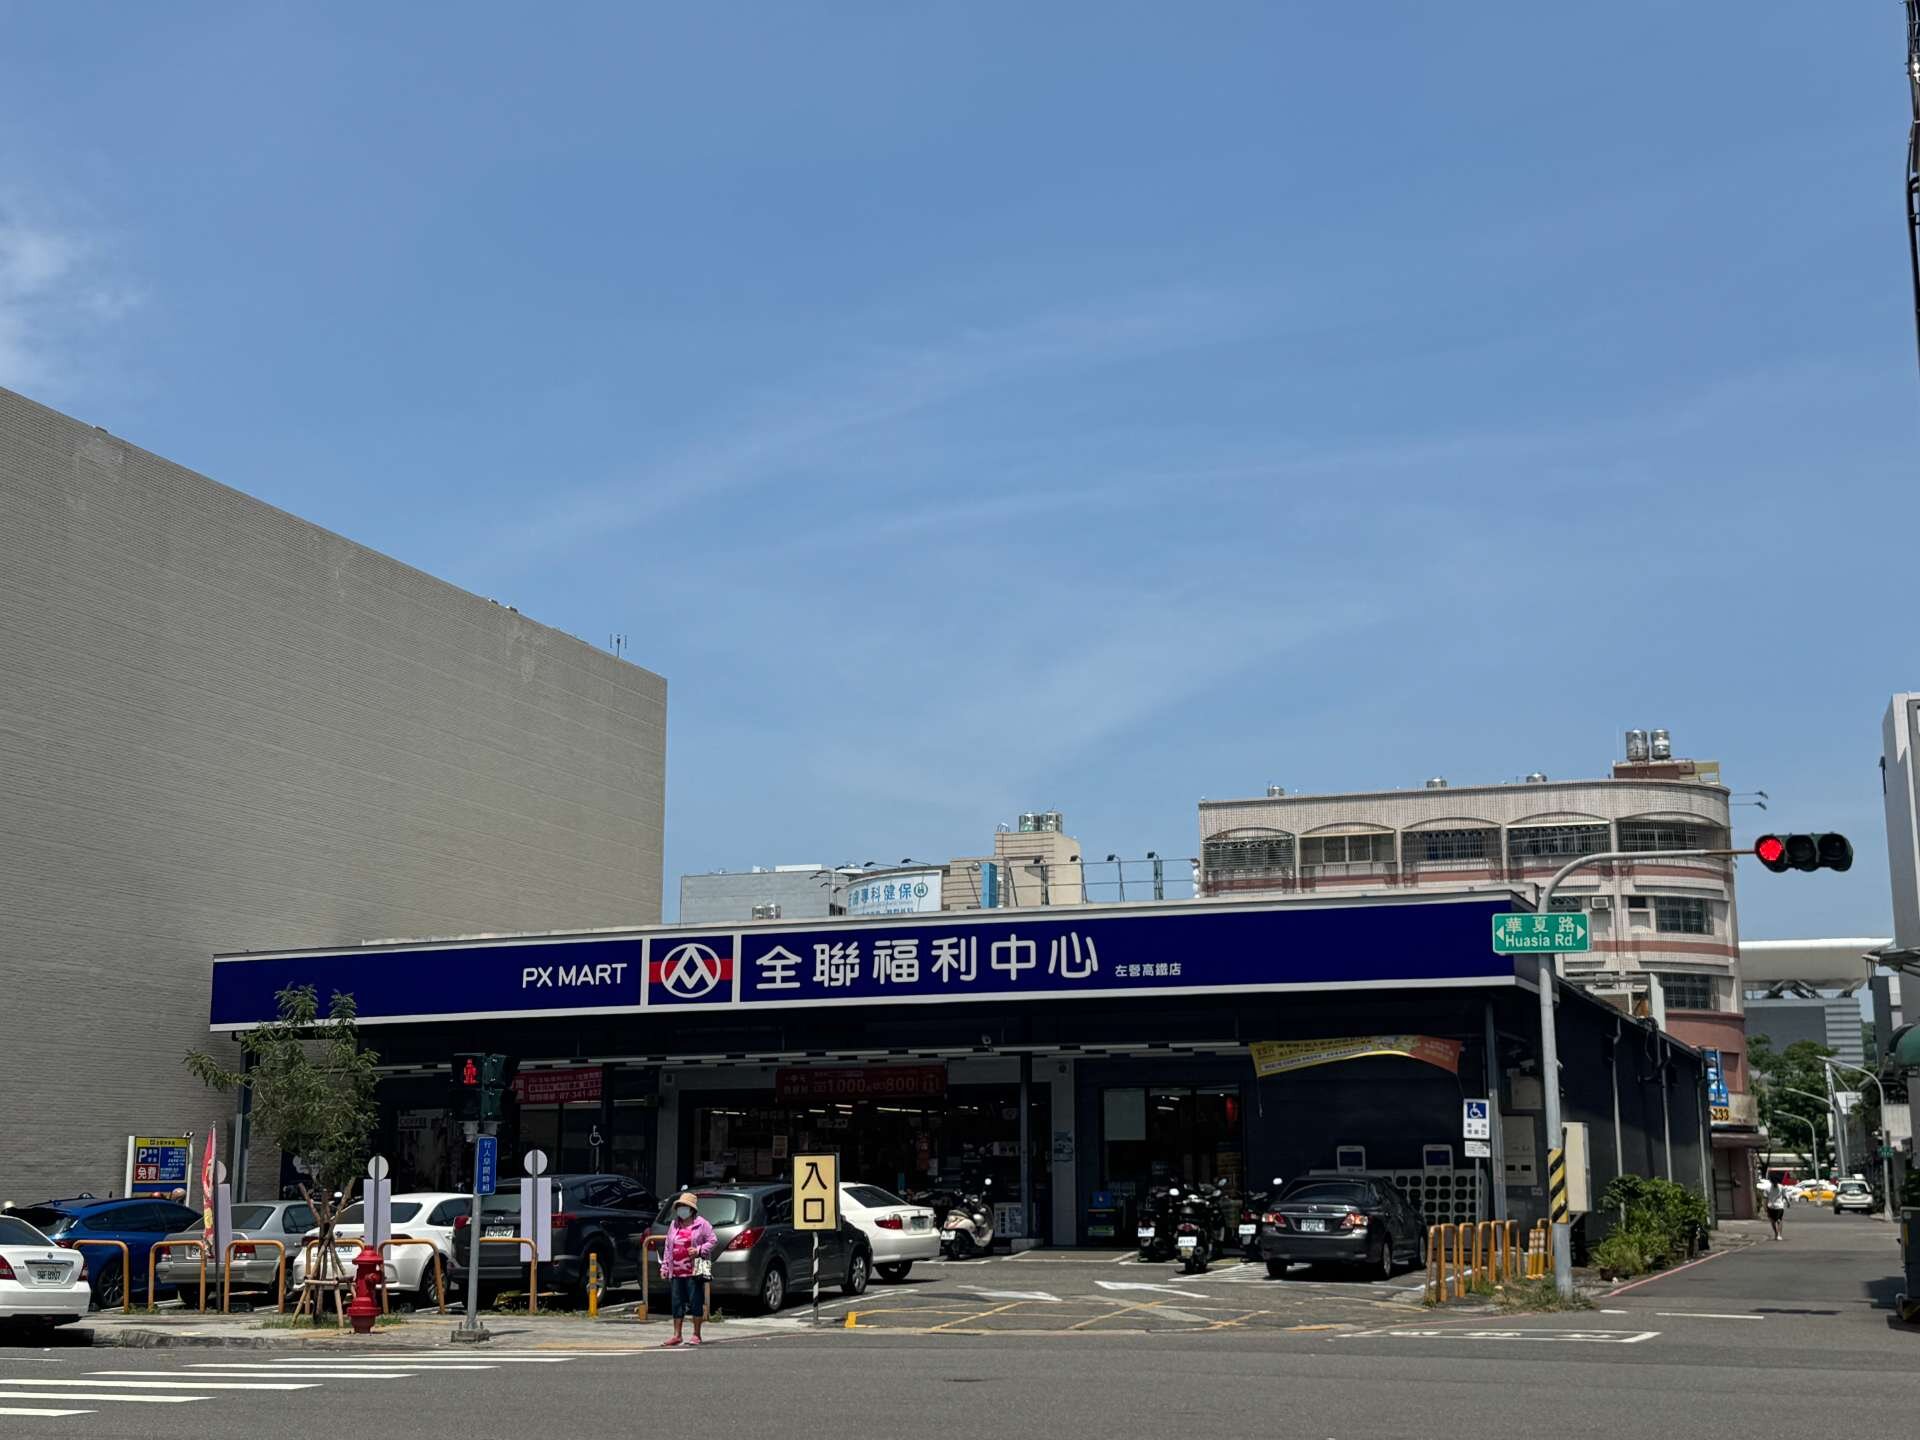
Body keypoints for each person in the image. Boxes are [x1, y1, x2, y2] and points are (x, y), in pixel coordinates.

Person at [660, 1191, 716, 1347]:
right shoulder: (674, 1224)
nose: (681, 1209)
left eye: (684, 1206)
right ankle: (677, 1335)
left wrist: (699, 1250)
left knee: (695, 1301)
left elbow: (713, 1240)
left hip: (694, 1270)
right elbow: (668, 1247)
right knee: (676, 1302)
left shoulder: (702, 1224)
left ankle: (696, 1334)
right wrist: (665, 1266)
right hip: (676, 1271)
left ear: (692, 1209)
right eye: (680, 1206)